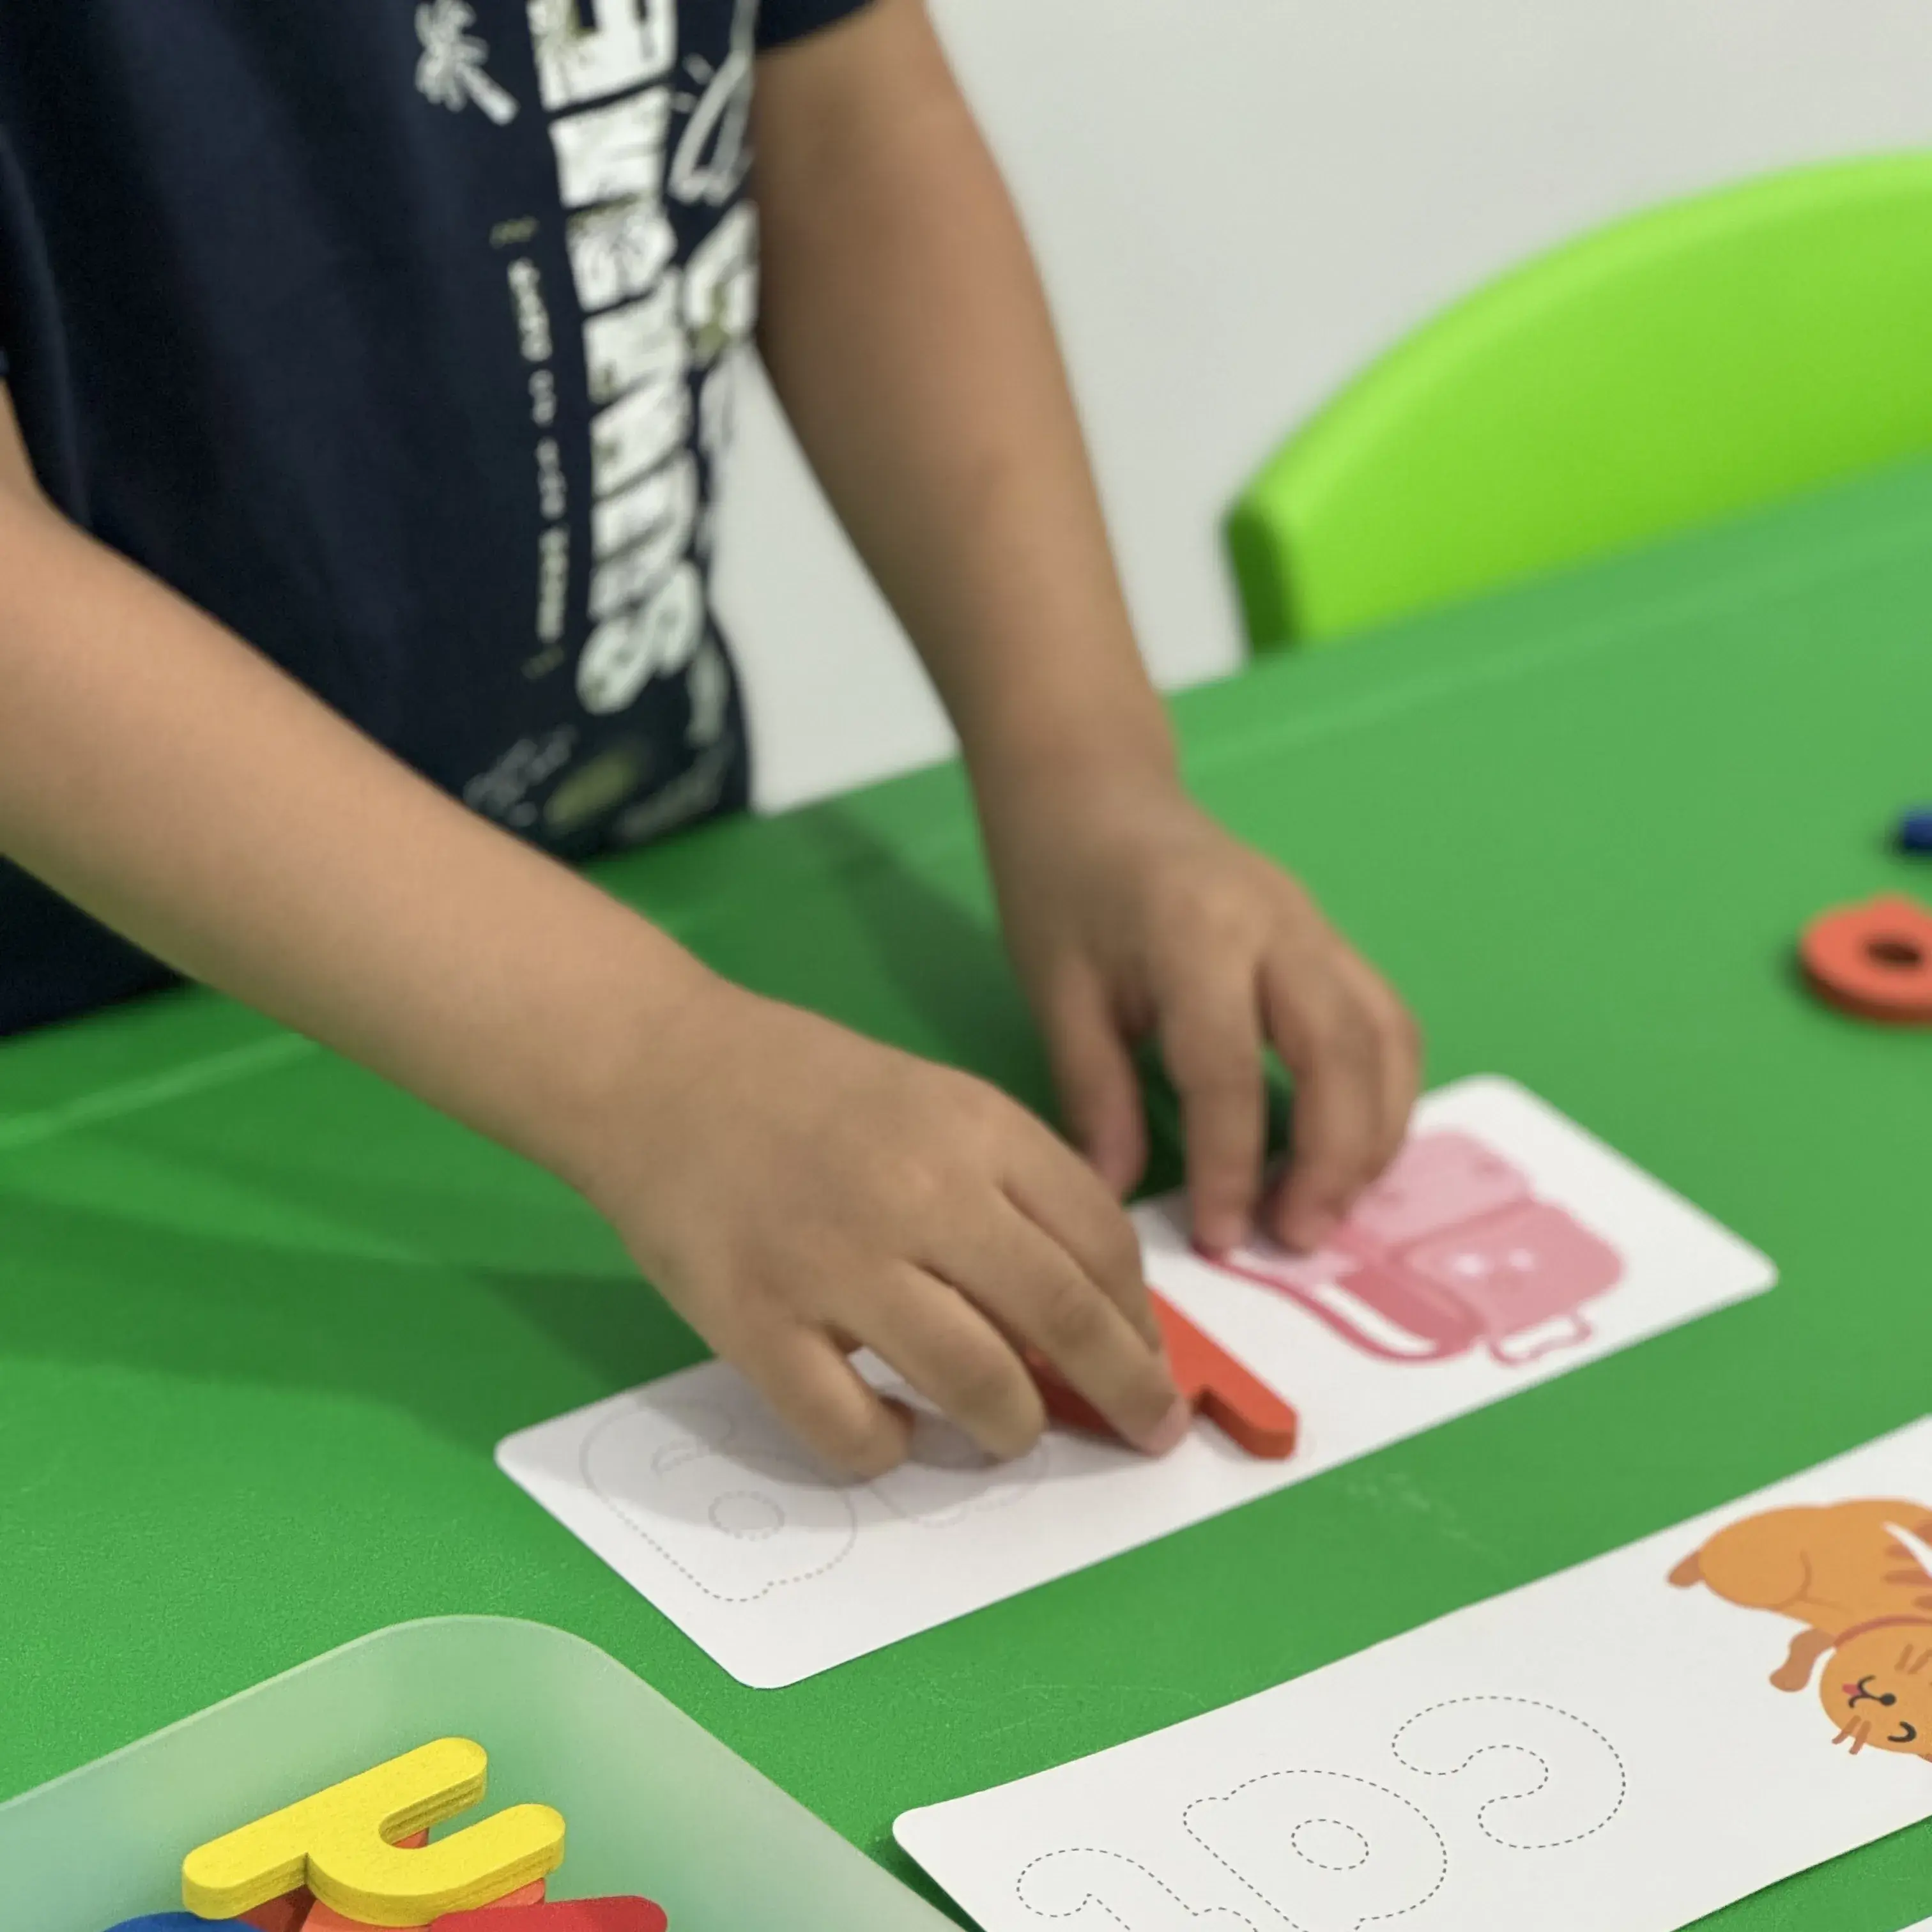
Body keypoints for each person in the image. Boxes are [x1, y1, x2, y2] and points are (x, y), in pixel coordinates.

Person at [0, 0, 1418, 1475]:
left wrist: (1086, 771)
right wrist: (653, 1067)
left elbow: (852, 123)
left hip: (654, 905)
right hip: (76, 1093)